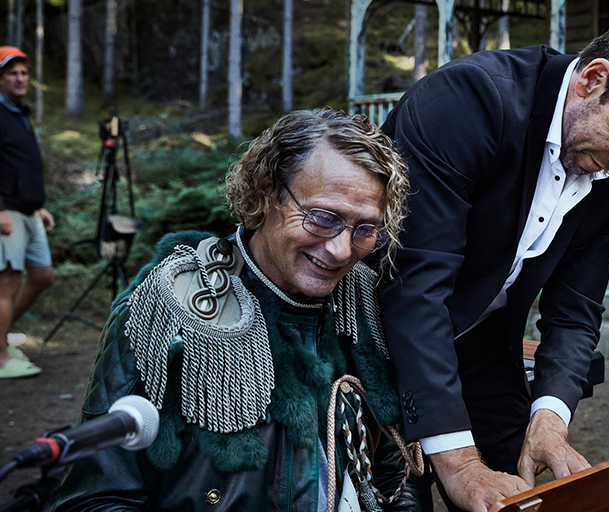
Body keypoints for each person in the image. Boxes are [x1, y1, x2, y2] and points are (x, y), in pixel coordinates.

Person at [378, 14, 609, 512]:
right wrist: (460, 465)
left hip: (484, 340)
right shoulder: (468, 100)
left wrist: (550, 419)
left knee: (523, 497)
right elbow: (415, 286)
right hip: (378, 337)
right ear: (592, 79)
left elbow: (577, 309)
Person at [54, 109, 422, 511]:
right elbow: (97, 498)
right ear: (268, 191)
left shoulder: (368, 305)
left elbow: (394, 472)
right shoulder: (168, 308)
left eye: (365, 229)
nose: (341, 250)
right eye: (322, 218)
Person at [0, 45, 53, 379]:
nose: (20, 79)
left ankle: (1, 335)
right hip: (8, 212)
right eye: (12, 74)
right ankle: (0, 357)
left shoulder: (19, 112)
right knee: (7, 283)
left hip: (29, 211)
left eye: (23, 73)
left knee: (42, 276)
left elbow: (20, 165)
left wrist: (39, 206)